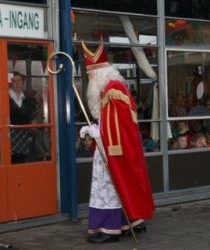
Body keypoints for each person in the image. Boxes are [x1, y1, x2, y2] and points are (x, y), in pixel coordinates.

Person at [79, 39, 155, 243]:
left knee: (108, 187)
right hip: (111, 147)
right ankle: (130, 221)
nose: (89, 78)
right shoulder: (110, 89)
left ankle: (109, 227)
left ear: (99, 74)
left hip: (113, 149)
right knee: (118, 185)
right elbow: (111, 123)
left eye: (90, 74)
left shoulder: (112, 90)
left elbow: (117, 128)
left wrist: (97, 134)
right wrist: (96, 129)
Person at [9, 71, 37, 163]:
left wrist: (33, 121)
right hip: (10, 135)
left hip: (25, 134)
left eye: (19, 80)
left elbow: (31, 115)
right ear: (10, 83)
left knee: (23, 161)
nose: (17, 83)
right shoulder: (6, 98)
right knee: (13, 161)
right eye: (14, 81)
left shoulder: (27, 99)